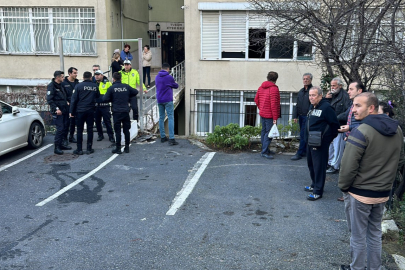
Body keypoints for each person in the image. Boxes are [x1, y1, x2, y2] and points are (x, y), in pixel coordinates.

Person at [338, 92, 404, 270]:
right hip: (382, 193)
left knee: (358, 235)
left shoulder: (361, 131)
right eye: (353, 105)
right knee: (374, 233)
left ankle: (357, 268)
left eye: (358, 105)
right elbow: (398, 160)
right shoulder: (397, 130)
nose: (353, 110)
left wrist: (344, 187)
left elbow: (348, 164)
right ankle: (375, 268)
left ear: (372, 108)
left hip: (360, 193)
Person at [304, 86, 339, 201]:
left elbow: (335, 126)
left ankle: (318, 191)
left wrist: (326, 139)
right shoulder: (312, 107)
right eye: (310, 95)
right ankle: (314, 184)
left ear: (320, 95)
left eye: (313, 95)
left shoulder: (327, 107)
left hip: (320, 143)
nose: (311, 97)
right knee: (311, 164)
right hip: (310, 141)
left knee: (319, 167)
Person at [103, 72, 138, 154]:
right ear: (121, 79)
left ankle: (118, 148)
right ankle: (127, 147)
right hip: (125, 111)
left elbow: (105, 99)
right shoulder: (126, 86)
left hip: (116, 112)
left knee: (117, 130)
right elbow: (135, 92)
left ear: (113, 79)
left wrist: (112, 99)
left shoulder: (112, 88)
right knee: (126, 130)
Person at [324, 77, 351, 174]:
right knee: (330, 146)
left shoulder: (345, 96)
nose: (332, 87)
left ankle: (335, 166)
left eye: (334, 85)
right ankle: (329, 163)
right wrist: (326, 99)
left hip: (340, 125)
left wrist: (335, 119)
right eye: (331, 85)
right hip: (330, 125)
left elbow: (347, 112)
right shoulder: (331, 95)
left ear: (340, 86)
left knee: (337, 147)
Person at [70, 71, 99, 155]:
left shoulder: (78, 86)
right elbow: (97, 96)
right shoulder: (94, 86)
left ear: (83, 78)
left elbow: (74, 100)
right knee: (90, 129)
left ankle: (79, 149)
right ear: (91, 77)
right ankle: (89, 148)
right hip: (90, 111)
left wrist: (71, 111)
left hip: (80, 111)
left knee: (79, 130)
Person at [254, 71, 281, 159]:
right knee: (269, 133)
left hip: (263, 113)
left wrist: (261, 108)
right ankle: (264, 151)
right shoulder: (274, 89)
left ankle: (265, 149)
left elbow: (256, 100)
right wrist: (275, 117)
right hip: (270, 115)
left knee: (264, 131)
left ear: (267, 78)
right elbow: (274, 104)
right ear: (276, 79)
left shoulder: (260, 87)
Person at [46, 70, 72, 155]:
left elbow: (64, 96)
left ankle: (61, 144)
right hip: (58, 111)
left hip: (64, 110)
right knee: (60, 129)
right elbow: (50, 100)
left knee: (65, 127)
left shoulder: (61, 85)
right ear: (57, 77)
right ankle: (56, 147)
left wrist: (67, 102)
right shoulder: (51, 86)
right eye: (62, 77)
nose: (63, 78)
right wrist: (56, 109)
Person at [156, 63, 179, 145]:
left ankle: (163, 137)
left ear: (162, 68)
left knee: (161, 118)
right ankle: (171, 138)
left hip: (159, 100)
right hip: (168, 100)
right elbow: (176, 86)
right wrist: (175, 82)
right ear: (168, 69)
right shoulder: (169, 77)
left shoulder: (157, 77)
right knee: (170, 117)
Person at [291, 73, 313, 160]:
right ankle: (304, 151)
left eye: (307, 79)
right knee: (303, 134)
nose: (305, 80)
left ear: (311, 80)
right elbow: (297, 104)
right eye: (304, 79)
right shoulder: (301, 91)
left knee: (304, 135)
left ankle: (299, 153)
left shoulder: (313, 90)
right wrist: (295, 116)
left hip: (308, 117)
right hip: (301, 116)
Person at [94, 70, 115, 143]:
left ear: (102, 75)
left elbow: (112, 94)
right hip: (96, 106)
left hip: (105, 106)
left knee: (107, 121)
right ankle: (100, 135)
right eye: (95, 75)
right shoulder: (93, 84)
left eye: (98, 75)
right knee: (97, 122)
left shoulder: (107, 83)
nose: (96, 76)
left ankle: (111, 136)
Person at [61, 67, 79, 143]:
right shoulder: (64, 83)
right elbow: (61, 94)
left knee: (73, 122)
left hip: (75, 105)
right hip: (67, 105)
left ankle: (71, 136)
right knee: (66, 123)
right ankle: (64, 138)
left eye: (76, 73)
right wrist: (66, 102)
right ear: (69, 73)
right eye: (74, 73)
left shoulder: (77, 83)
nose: (76, 74)